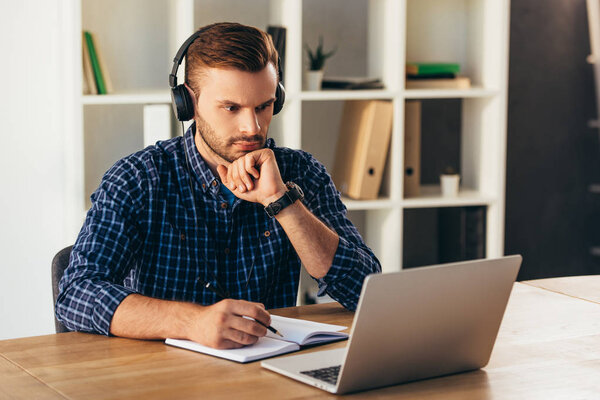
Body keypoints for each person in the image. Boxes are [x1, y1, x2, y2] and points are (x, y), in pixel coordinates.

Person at [56, 22, 381, 349]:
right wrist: (192, 322)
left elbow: (366, 291)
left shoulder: (302, 173)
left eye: (264, 106)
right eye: (231, 107)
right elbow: (75, 295)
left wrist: (282, 201)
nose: (252, 127)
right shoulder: (138, 178)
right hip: (162, 378)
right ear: (189, 103)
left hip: (269, 375)